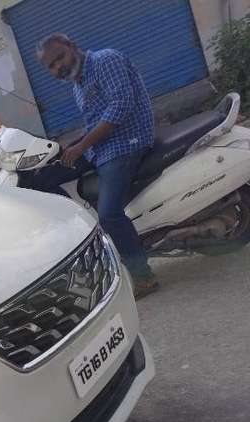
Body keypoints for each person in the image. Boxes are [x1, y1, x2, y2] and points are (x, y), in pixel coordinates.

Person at [34, 33, 159, 299]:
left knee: (109, 213)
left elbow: (120, 107)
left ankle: (143, 276)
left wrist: (81, 146)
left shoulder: (105, 60)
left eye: (60, 58)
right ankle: (77, 235)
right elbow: (94, 123)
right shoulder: (77, 84)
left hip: (128, 142)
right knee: (43, 176)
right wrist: (66, 146)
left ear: (72, 46)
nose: (59, 67)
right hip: (102, 147)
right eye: (52, 66)